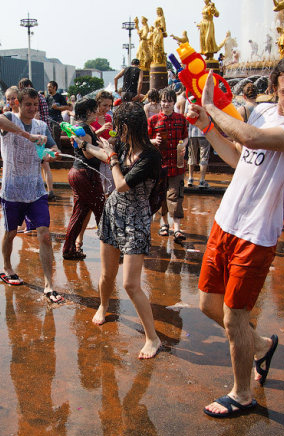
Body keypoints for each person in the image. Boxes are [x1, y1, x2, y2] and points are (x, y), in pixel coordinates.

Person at [188, 54, 284, 417]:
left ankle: (242, 394)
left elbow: (250, 136)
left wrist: (210, 108)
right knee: (207, 304)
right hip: (225, 221)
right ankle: (262, 345)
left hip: (257, 233)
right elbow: (238, 155)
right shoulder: (264, 111)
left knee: (235, 319)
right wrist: (206, 124)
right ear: (274, 88)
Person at [81, 102, 162, 359]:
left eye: (118, 127)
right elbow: (104, 155)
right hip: (113, 214)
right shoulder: (124, 146)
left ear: (126, 127)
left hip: (136, 220)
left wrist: (113, 156)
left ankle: (153, 338)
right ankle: (104, 305)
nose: (116, 132)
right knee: (107, 275)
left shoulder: (150, 156)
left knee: (129, 283)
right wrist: (86, 146)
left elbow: (121, 184)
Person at [0, 87, 63, 302]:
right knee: (11, 233)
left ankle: (49, 284)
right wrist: (28, 136)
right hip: (12, 189)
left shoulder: (42, 125)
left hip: (35, 190)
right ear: (18, 104)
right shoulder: (9, 118)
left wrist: (51, 155)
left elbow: (55, 151)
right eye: (27, 105)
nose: (32, 109)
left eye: (35, 105)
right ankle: (7, 267)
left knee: (44, 234)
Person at [61, 98, 106, 260]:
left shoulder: (81, 127)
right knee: (102, 210)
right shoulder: (84, 128)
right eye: (95, 110)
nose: (97, 113)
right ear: (88, 112)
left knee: (80, 213)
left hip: (78, 172)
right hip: (86, 174)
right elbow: (88, 153)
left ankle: (69, 249)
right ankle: (111, 249)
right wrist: (103, 149)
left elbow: (94, 143)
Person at [148, 88, 189, 242]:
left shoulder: (181, 119)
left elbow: (185, 137)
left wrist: (183, 145)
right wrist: (153, 141)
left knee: (176, 195)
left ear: (174, 102)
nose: (165, 104)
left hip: (177, 164)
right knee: (161, 195)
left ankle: (177, 228)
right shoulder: (153, 120)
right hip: (160, 165)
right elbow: (145, 140)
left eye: (169, 101)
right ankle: (164, 223)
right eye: (163, 101)